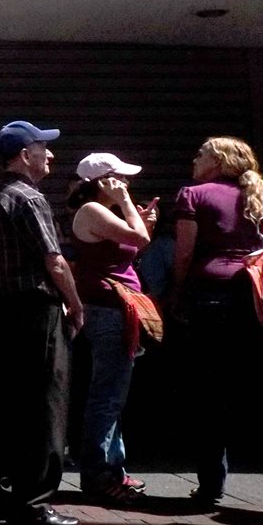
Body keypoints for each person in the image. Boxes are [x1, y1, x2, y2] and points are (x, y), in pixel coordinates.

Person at [171, 136, 263, 515]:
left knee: (210, 396)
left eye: (201, 153)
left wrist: (176, 293)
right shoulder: (262, 198)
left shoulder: (193, 194)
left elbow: (185, 251)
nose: (194, 157)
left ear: (218, 161)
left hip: (214, 299)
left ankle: (210, 489)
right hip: (260, 303)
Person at [0, 121, 83, 525]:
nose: (51, 155)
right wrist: (74, 304)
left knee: (15, 405)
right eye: (44, 148)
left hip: (8, 310)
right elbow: (54, 260)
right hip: (39, 310)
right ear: (25, 154)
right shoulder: (29, 198)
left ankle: (8, 491)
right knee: (45, 405)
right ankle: (36, 501)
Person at [68, 153, 155, 505]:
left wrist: (137, 216)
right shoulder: (93, 210)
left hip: (114, 307)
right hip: (107, 310)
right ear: (103, 181)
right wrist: (127, 204)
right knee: (107, 395)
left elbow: (130, 247)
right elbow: (142, 240)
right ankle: (99, 474)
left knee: (112, 394)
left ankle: (113, 468)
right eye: (120, 178)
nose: (127, 184)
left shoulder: (103, 213)